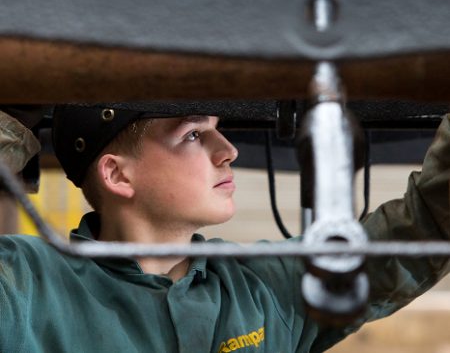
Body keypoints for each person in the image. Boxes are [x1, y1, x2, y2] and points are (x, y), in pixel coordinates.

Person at [0, 103, 449, 353]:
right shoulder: (26, 285)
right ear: (117, 175)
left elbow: (424, 225)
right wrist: (12, 121)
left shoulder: (265, 286)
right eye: (193, 135)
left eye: (217, 129)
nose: (229, 150)